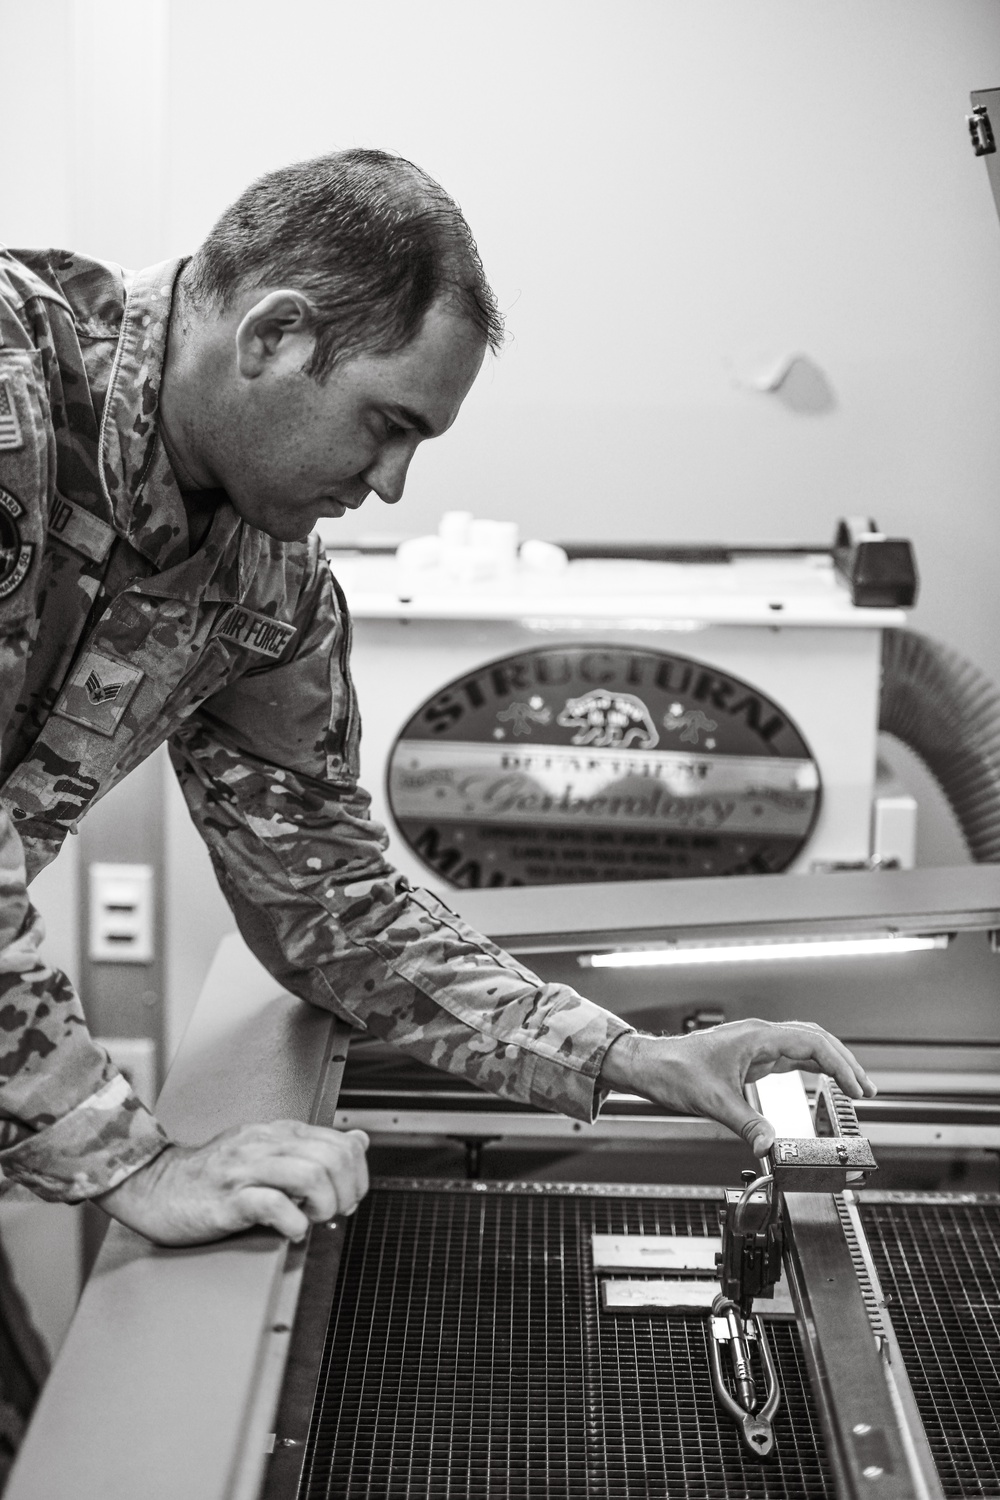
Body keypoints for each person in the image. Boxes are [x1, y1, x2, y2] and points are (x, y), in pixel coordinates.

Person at [0, 149, 874, 1248]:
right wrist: (133, 1165)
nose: (392, 484)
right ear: (273, 335)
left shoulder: (272, 581)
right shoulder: (14, 389)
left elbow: (329, 899)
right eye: (388, 422)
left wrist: (627, 1053)